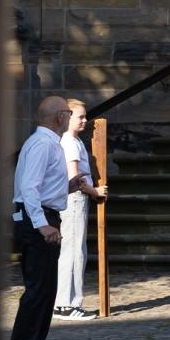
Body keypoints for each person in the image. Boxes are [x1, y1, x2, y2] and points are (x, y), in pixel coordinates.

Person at [8, 96, 74, 340]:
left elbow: (40, 187)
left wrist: (68, 188)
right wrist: (42, 225)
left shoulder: (46, 143)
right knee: (38, 289)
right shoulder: (43, 144)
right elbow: (29, 187)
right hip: (38, 221)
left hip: (42, 216)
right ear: (59, 116)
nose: (70, 118)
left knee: (45, 288)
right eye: (68, 113)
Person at [54, 99, 107, 320]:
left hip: (75, 200)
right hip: (74, 199)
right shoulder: (69, 142)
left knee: (73, 250)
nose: (85, 120)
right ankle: (67, 304)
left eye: (85, 116)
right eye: (80, 117)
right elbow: (74, 177)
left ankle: (63, 302)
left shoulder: (72, 141)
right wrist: (95, 192)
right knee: (74, 251)